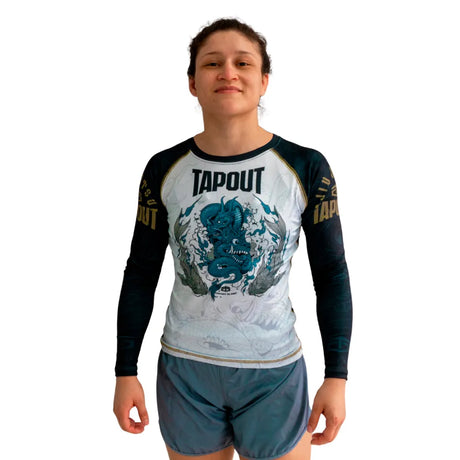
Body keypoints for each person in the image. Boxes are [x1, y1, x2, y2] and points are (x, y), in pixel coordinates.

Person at [113, 18, 352, 460]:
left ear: (264, 81)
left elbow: (332, 275)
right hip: (186, 370)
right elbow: (140, 273)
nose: (228, 72)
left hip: (273, 371)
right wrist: (125, 370)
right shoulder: (164, 168)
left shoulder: (305, 167)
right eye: (212, 63)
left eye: (243, 63)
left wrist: (336, 376)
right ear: (192, 82)